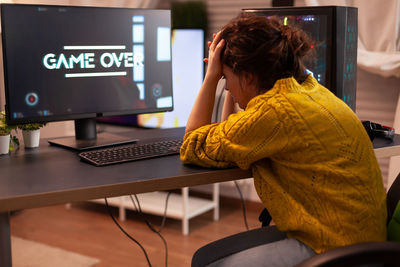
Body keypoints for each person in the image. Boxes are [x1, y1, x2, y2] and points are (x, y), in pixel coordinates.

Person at [180, 13, 387, 266]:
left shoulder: (275, 112)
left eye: (227, 78)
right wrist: (230, 77)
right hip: (361, 239)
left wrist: (210, 77)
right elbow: (234, 134)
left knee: (207, 264)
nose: (227, 87)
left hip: (335, 248)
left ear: (249, 75)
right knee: (204, 257)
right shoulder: (307, 88)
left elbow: (192, 145)